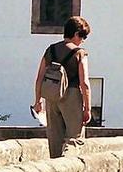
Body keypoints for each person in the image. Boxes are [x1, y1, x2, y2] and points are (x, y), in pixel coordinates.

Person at [33, 15, 92, 158]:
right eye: (83, 36)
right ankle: (67, 164)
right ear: (76, 34)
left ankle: (55, 167)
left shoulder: (51, 50)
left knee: (55, 140)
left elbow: (39, 77)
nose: (83, 40)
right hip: (71, 95)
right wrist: (87, 108)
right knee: (74, 138)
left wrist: (38, 100)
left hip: (52, 96)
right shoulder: (79, 53)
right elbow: (84, 83)